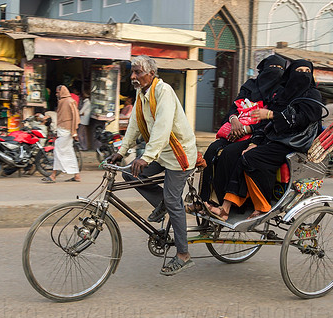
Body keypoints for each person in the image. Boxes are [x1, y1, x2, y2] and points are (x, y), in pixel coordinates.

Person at [109, 55, 197, 276]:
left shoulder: (163, 91)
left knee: (173, 200)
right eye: (132, 72)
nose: (133, 76)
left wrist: (146, 157)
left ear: (151, 73)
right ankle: (164, 203)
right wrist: (121, 152)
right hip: (160, 153)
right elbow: (134, 126)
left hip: (179, 155)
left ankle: (183, 255)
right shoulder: (141, 94)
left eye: (138, 72)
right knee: (130, 175)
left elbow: (162, 127)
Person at [206, 59, 322, 221]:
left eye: (306, 72)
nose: (302, 75)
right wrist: (255, 141)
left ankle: (262, 205)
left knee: (250, 158)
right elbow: (266, 124)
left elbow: (302, 118)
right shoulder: (283, 94)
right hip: (272, 137)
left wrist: (271, 115)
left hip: (293, 141)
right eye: (298, 71)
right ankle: (223, 206)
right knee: (230, 152)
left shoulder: (312, 94)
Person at [194, 55, 286, 208]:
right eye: (272, 67)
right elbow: (234, 106)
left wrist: (248, 129)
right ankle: (203, 199)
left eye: (280, 69)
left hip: (259, 135)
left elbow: (273, 119)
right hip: (236, 128)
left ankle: (222, 201)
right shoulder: (250, 85)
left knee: (228, 154)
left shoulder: (280, 92)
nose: (275, 71)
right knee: (211, 151)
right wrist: (234, 120)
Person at [43, 85, 81, 183]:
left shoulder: (69, 101)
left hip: (66, 131)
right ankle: (76, 175)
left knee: (58, 152)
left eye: (57, 92)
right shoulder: (63, 101)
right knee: (68, 153)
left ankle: (53, 175)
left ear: (62, 92)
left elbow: (75, 117)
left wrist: (74, 132)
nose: (56, 94)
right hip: (63, 130)